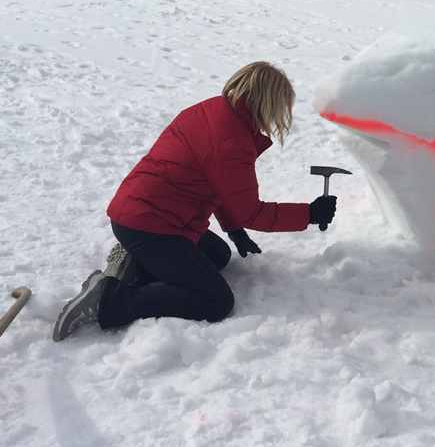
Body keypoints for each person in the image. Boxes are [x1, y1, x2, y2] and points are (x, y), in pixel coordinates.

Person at [52, 62, 338, 341]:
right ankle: (108, 300)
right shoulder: (231, 141)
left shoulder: (213, 110)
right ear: (268, 102)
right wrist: (310, 213)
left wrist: (233, 228)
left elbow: (220, 184)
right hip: (150, 225)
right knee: (215, 301)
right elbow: (253, 212)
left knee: (218, 256)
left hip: (144, 212)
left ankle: (135, 264)